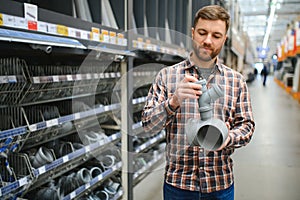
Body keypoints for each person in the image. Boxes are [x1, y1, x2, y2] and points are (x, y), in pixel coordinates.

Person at [141, 5, 255, 200]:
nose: (208, 41)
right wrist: (173, 102)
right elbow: (148, 127)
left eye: (216, 36)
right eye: (202, 33)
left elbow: (247, 126)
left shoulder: (236, 81)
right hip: (178, 185)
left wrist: (228, 138)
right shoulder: (167, 76)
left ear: (225, 39)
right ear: (193, 33)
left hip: (220, 184)